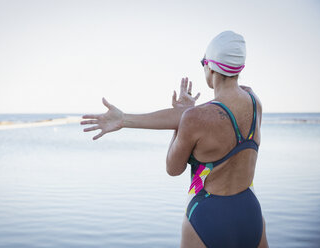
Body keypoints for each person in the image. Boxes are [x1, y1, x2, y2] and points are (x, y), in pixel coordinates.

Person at [81, 31, 268, 248]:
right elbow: (213, 115)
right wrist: (126, 119)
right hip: (249, 212)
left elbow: (173, 167)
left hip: (208, 216)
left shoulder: (195, 118)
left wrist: (181, 117)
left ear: (210, 66)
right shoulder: (255, 102)